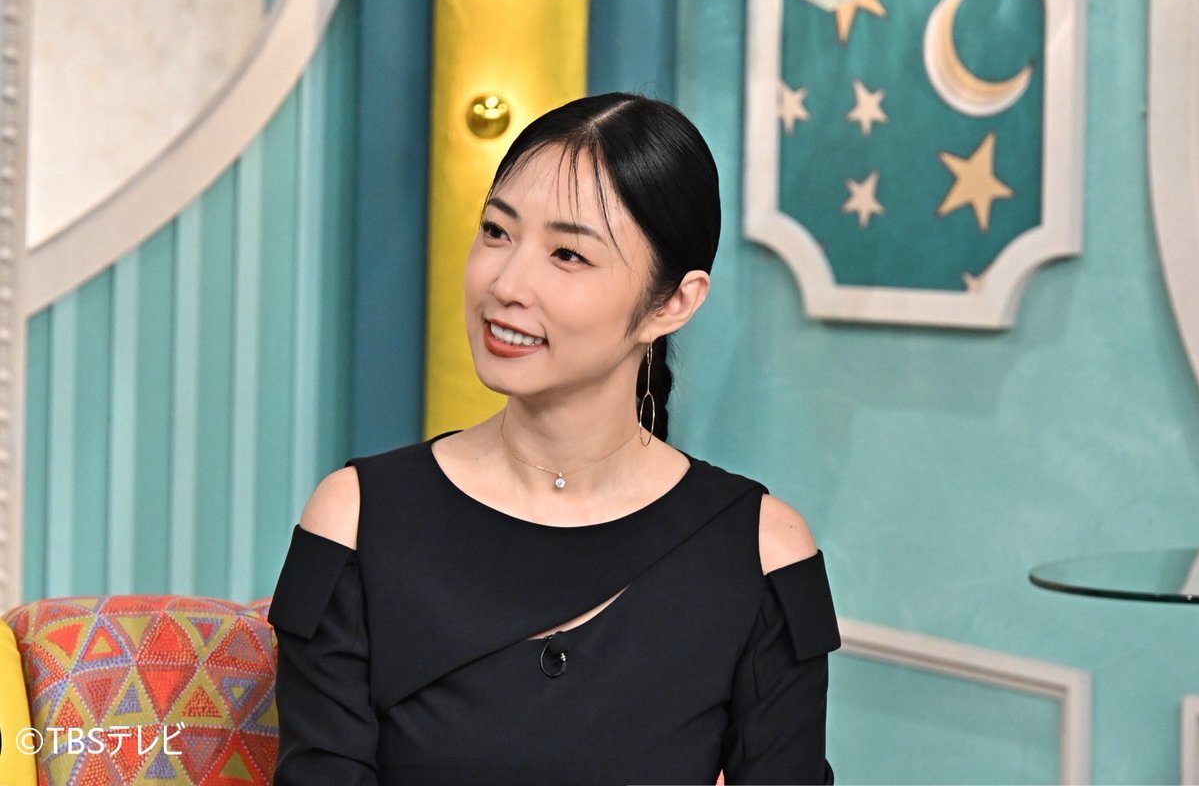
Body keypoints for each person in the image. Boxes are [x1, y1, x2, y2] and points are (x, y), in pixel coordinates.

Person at [267, 91, 842, 785]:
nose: (507, 283)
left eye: (568, 253)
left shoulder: (765, 551)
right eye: (496, 231)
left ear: (672, 302)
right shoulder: (355, 517)